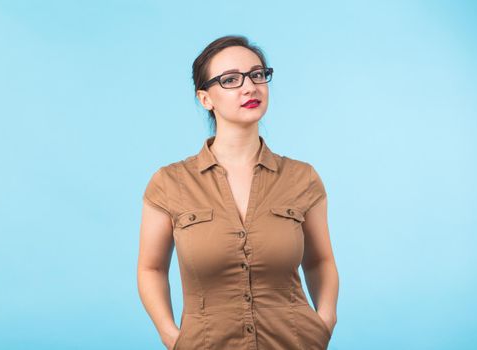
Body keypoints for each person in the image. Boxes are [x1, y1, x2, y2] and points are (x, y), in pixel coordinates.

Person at [137, 35, 339, 350]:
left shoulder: (302, 178)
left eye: (257, 74)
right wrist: (171, 335)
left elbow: (320, 261)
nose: (249, 87)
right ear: (205, 98)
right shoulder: (170, 183)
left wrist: (324, 322)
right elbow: (151, 268)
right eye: (231, 79)